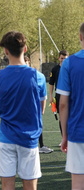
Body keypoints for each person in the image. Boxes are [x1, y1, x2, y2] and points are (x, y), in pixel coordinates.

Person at [0, 31, 47, 190]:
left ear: (6, 51)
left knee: (7, 186)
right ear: (26, 48)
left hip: (6, 137)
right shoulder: (39, 77)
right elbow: (41, 109)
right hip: (29, 138)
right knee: (30, 185)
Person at [57, 23, 84, 190]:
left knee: (78, 184)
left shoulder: (69, 63)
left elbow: (63, 104)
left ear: (80, 37)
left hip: (78, 132)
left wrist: (64, 135)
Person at [24, 55, 53, 154]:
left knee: (38, 126)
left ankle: (41, 145)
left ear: (29, 63)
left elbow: (42, 95)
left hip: (35, 107)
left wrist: (42, 109)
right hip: (23, 108)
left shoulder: (38, 76)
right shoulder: (16, 76)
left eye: (26, 62)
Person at [49, 50, 69, 146]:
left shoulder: (71, 68)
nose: (63, 60)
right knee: (62, 118)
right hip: (59, 95)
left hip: (71, 95)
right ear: (59, 58)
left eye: (65, 59)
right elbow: (51, 83)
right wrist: (50, 95)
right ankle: (63, 138)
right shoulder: (55, 69)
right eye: (62, 58)